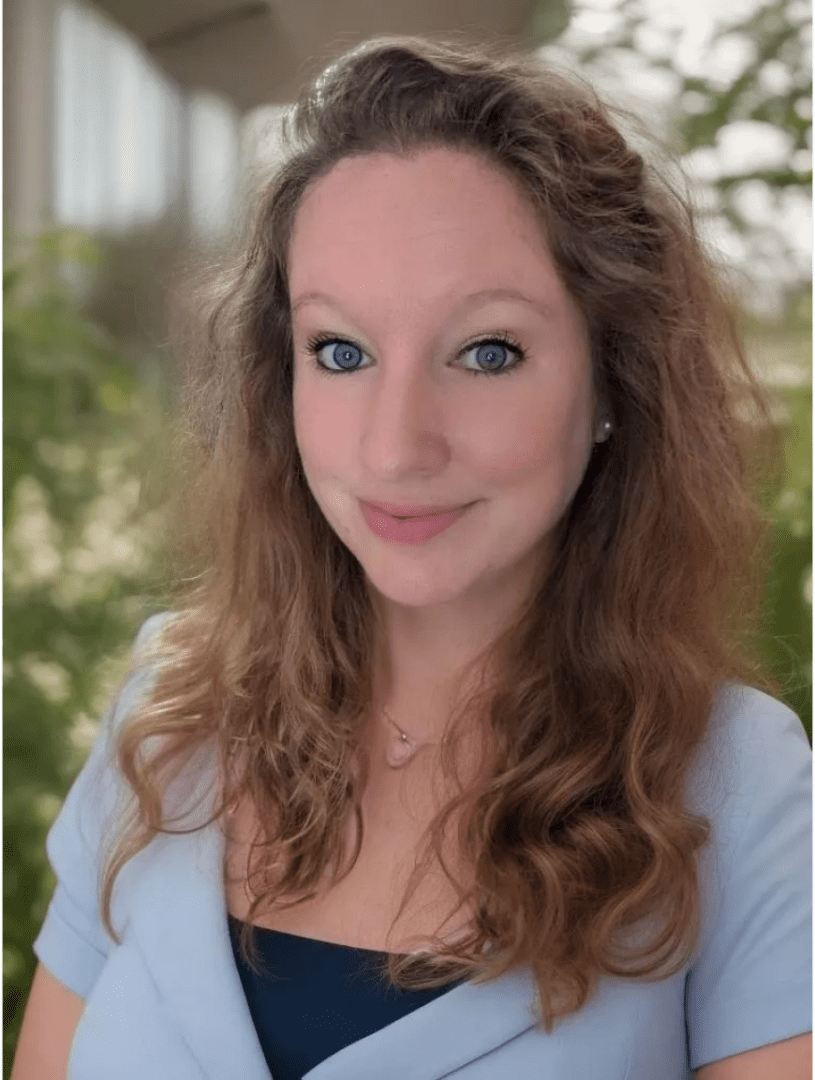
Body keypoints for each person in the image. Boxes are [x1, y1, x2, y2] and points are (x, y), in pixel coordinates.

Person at [11, 35, 813, 1080]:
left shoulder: (731, 784)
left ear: (614, 380)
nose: (395, 446)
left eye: (486, 352)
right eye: (339, 353)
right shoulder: (167, 718)